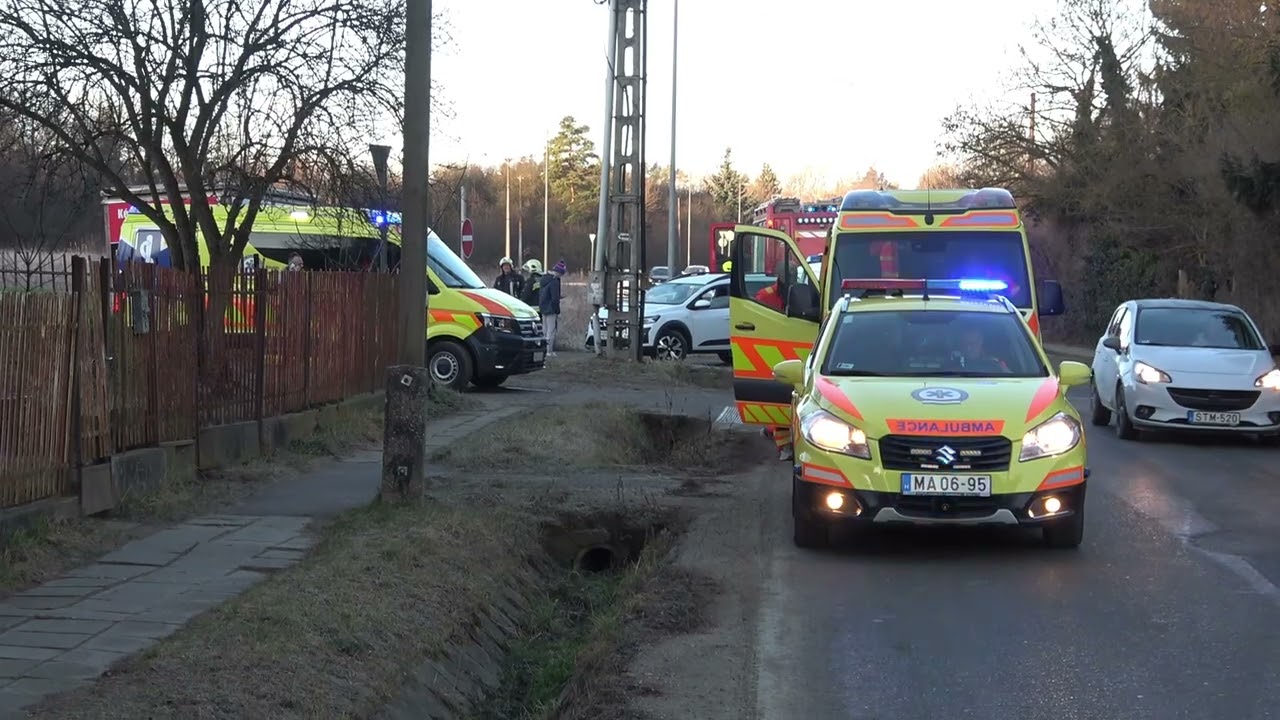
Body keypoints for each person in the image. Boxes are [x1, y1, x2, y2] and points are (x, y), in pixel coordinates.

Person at [539, 259, 566, 357]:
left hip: (543, 307)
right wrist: (557, 310)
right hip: (551, 309)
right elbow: (554, 298)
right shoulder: (554, 281)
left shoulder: (544, 279)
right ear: (559, 272)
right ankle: (549, 351)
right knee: (551, 330)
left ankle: (543, 350)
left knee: (544, 329)